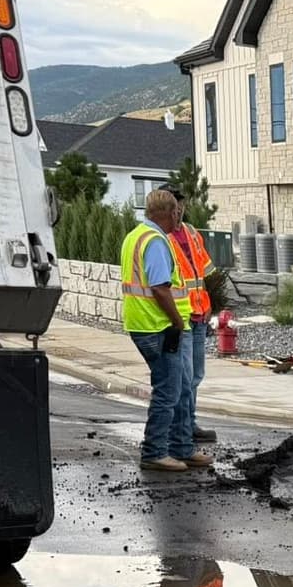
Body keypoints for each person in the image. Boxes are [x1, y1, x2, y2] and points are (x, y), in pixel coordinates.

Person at [118, 190, 208, 472]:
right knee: (169, 391)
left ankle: (181, 448)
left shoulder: (137, 235)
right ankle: (156, 451)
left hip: (146, 324)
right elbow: (159, 287)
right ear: (171, 213)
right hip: (158, 326)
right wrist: (178, 322)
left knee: (179, 387)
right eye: (176, 212)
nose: (178, 216)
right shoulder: (156, 241)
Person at [164, 188, 219, 446]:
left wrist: (207, 302)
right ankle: (180, 430)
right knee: (183, 378)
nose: (179, 211)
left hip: (198, 315)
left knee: (195, 375)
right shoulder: (160, 238)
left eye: (181, 206)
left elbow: (201, 273)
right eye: (175, 206)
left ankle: (189, 423)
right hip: (179, 318)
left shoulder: (192, 233)